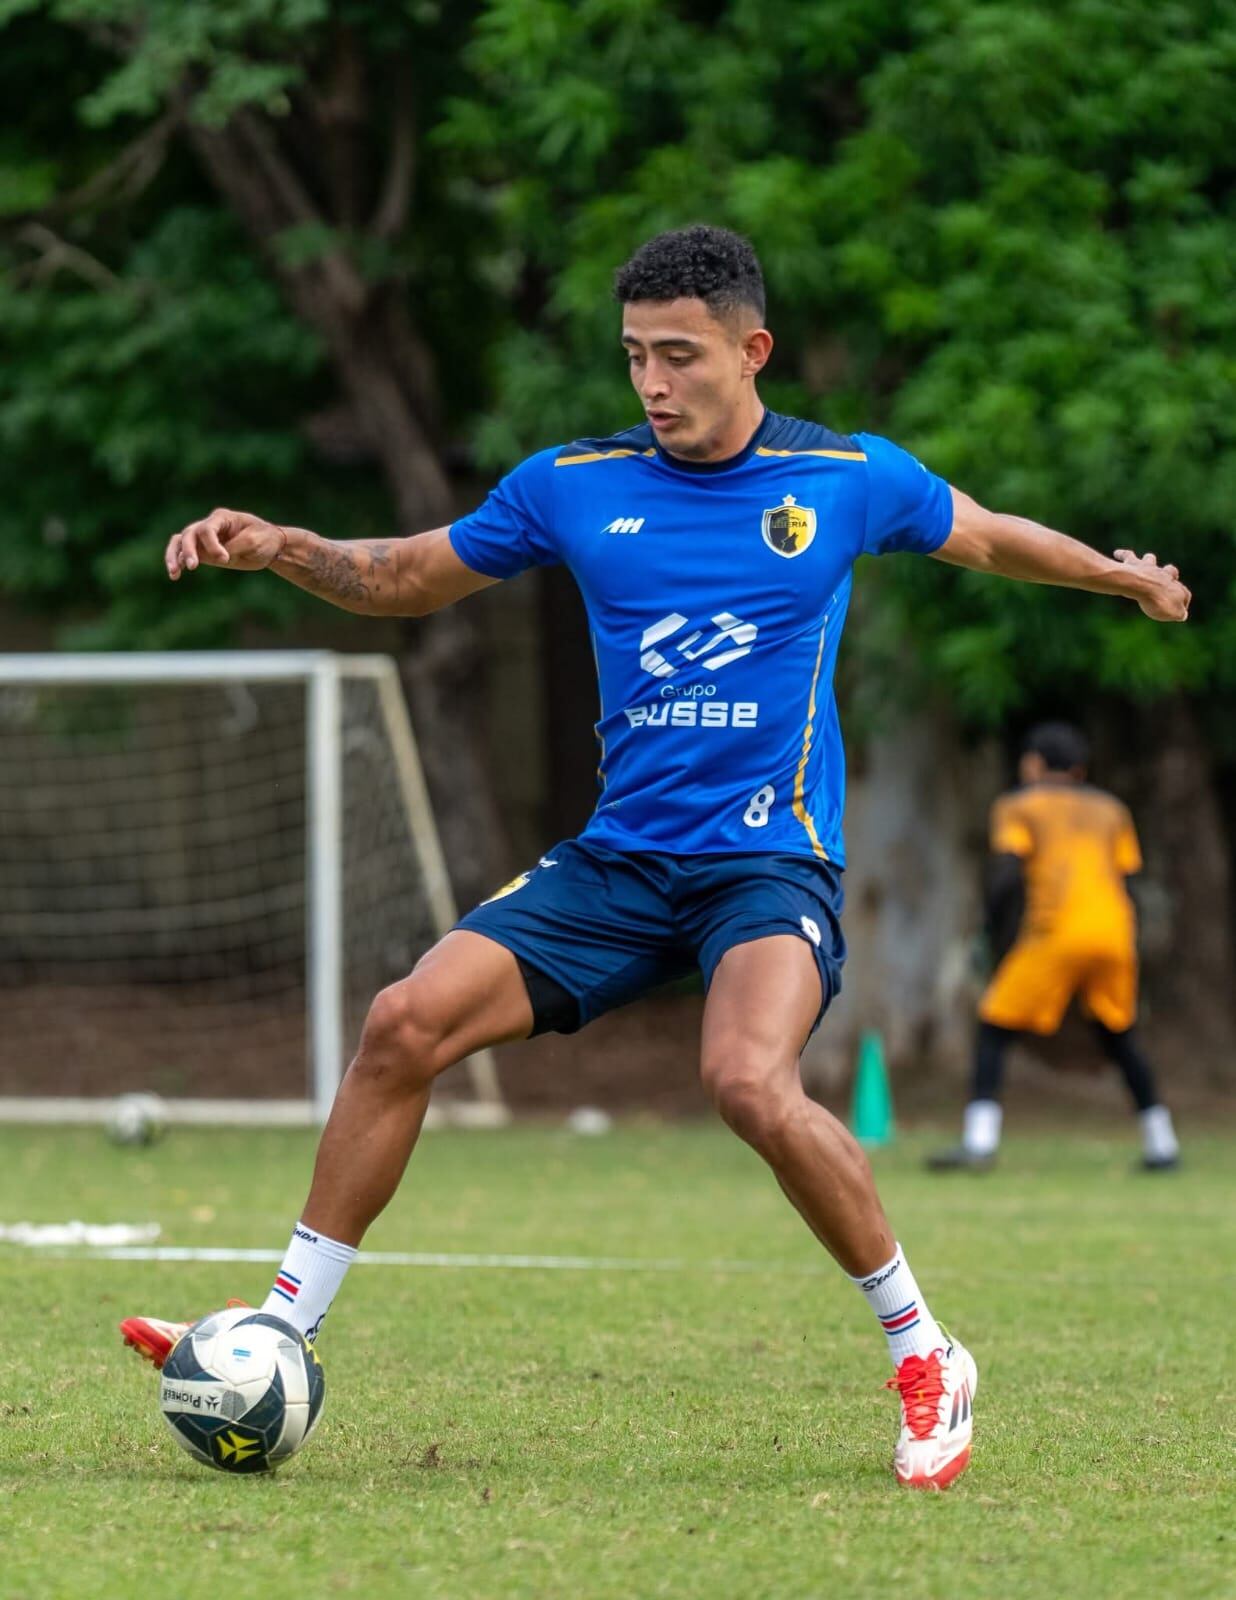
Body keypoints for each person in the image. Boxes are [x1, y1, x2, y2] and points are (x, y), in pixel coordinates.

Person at [118, 225, 1190, 1491]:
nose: (652, 385)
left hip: (766, 865)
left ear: (753, 351)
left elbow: (993, 536)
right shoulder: (573, 483)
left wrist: (1118, 580)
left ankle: (926, 1349)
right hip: (618, 863)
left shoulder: (847, 477)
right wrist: (284, 546)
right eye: (635, 357)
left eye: (679, 357)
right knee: (404, 1021)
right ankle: (280, 1327)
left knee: (744, 1079)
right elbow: (403, 576)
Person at [928, 722, 1180, 1172]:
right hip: (1114, 932)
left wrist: (990, 934)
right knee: (1118, 1033)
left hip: (1056, 932)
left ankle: (979, 1143)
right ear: (1080, 769)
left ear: (1035, 763)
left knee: (994, 1027)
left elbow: (1006, 876)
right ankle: (1162, 1144)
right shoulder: (1112, 810)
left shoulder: (1019, 806)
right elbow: (1128, 878)